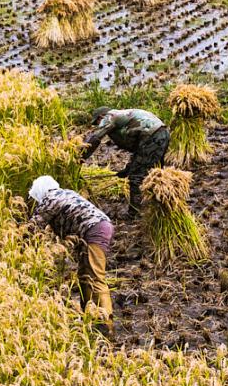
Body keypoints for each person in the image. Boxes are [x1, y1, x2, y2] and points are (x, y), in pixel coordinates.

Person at [27, 176, 115, 329]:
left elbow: (32, 228)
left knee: (95, 277)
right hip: (100, 226)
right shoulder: (65, 193)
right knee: (85, 276)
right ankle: (90, 315)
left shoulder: (51, 199)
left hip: (93, 231)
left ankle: (105, 325)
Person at [81, 107, 169, 216]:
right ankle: (161, 205)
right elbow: (140, 152)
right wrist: (129, 168)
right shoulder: (125, 117)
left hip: (152, 137)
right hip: (163, 134)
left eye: (97, 122)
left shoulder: (110, 116)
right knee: (155, 172)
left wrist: (81, 157)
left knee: (136, 177)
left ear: (100, 117)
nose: (99, 125)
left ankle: (135, 213)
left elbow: (95, 138)